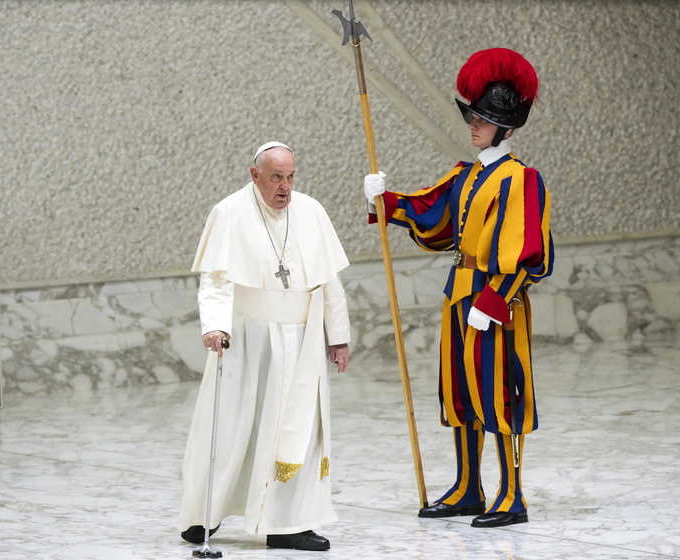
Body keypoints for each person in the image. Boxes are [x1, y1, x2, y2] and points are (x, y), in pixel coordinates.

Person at [363, 48, 554, 528]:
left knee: (501, 394)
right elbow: (435, 217)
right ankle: (469, 486)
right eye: (472, 115)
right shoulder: (466, 175)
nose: (474, 124)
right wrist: (386, 200)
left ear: (507, 127)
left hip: (496, 301)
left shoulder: (522, 180)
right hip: (459, 293)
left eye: (484, 119)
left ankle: (511, 495)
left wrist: (492, 301)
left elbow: (532, 252)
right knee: (461, 393)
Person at [178, 141, 351, 551]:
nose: (285, 187)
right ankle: (204, 513)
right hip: (249, 338)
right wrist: (215, 326)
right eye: (276, 177)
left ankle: (287, 525)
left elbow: (330, 283)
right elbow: (216, 280)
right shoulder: (230, 212)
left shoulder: (311, 211)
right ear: (255, 175)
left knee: (299, 432)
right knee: (234, 425)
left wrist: (338, 336)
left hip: (304, 339)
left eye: (290, 177)